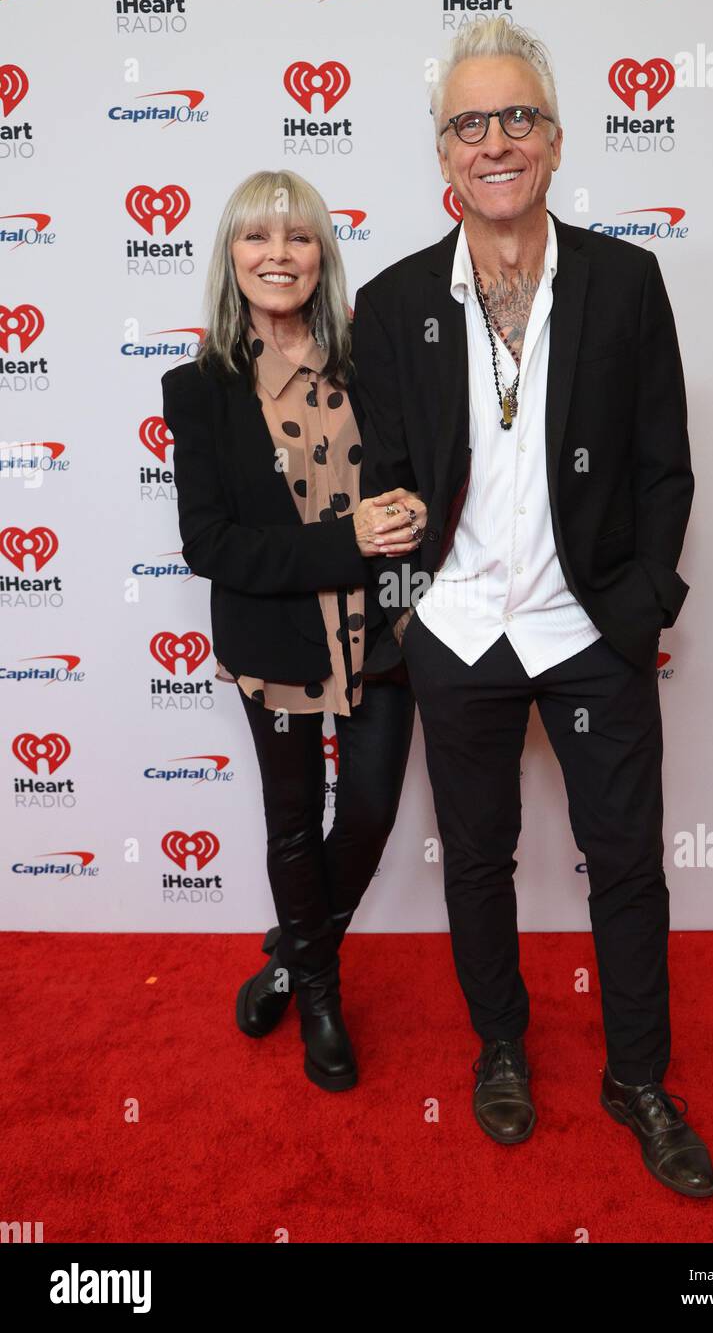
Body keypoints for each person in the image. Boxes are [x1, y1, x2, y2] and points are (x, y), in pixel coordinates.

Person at [352, 19, 713, 1196]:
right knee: (477, 858)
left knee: (624, 862)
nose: (494, 140)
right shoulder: (394, 299)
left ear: (554, 142)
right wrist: (407, 622)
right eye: (469, 123)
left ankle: (637, 1078)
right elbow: (381, 487)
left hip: (588, 631)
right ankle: (500, 1045)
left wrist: (643, 608)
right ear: (443, 155)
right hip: (454, 632)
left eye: (516, 118)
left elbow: (664, 467)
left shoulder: (625, 283)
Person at [161, 170, 427, 1092]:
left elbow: (417, 482)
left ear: (323, 253)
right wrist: (344, 541)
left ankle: (287, 954)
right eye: (256, 238)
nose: (279, 255)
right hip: (274, 645)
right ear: (231, 259)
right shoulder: (198, 390)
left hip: (383, 638)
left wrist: (408, 528)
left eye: (299, 237)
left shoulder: (373, 363)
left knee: (368, 813)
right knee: (289, 823)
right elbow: (210, 544)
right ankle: (318, 993)